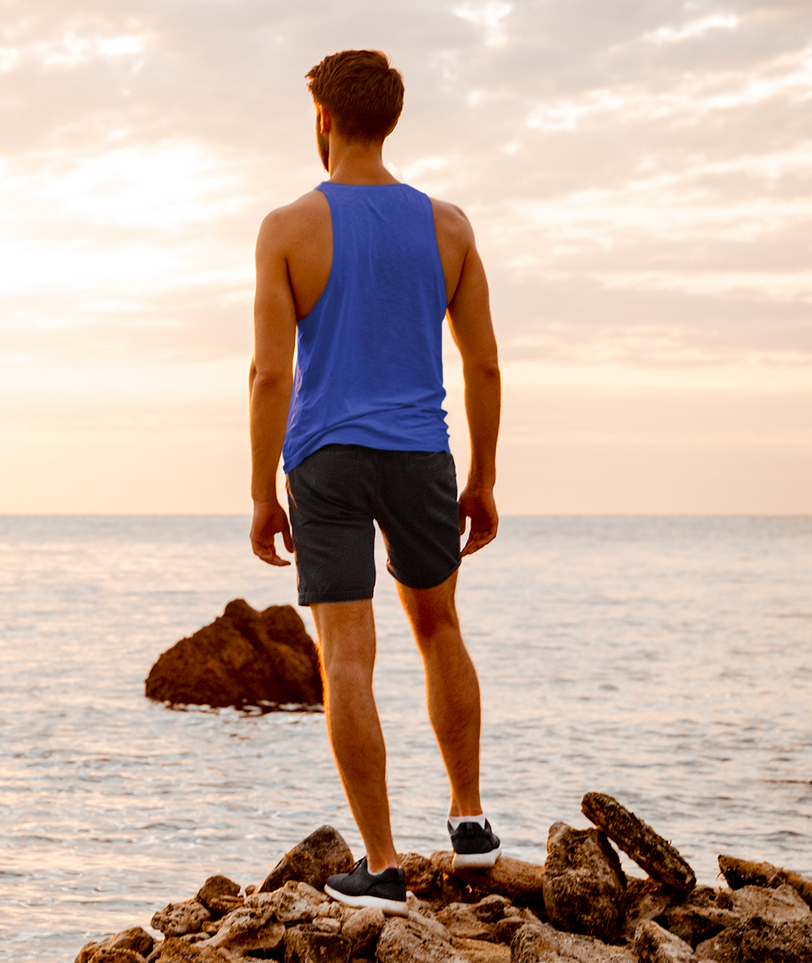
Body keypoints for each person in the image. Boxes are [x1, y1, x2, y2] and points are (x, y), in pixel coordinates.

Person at [247, 49, 503, 917]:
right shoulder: (450, 226)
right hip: (420, 453)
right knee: (438, 627)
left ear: (322, 117)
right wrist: (484, 477)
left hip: (323, 455)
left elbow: (268, 378)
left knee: (345, 652)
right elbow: (483, 366)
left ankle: (384, 866)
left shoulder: (287, 228)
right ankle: (470, 823)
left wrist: (258, 491)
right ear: (390, 119)